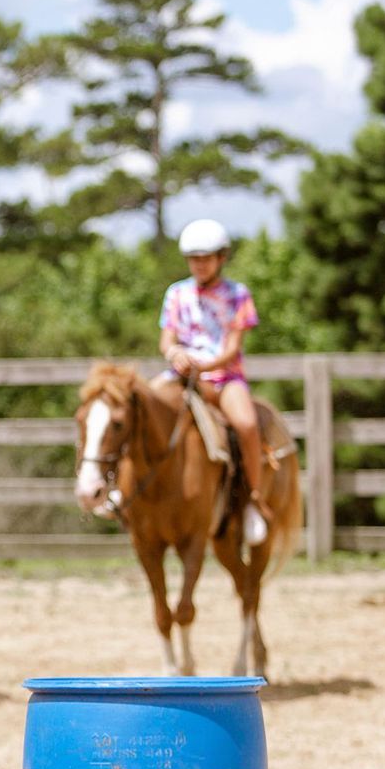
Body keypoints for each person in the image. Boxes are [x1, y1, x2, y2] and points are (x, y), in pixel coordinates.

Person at [153, 218, 269, 545]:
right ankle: (121, 491)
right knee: (136, 406)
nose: (199, 265)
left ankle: (253, 501)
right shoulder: (176, 294)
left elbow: (232, 348)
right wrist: (175, 353)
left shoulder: (237, 295)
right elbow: (167, 339)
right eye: (194, 258)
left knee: (246, 425)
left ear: (221, 258)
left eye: (206, 258)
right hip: (181, 377)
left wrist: (202, 365)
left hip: (223, 378)